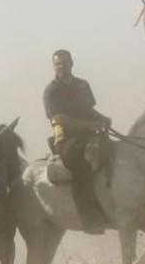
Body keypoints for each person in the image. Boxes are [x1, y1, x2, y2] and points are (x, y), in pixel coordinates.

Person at [42, 50, 111, 233]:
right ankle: (89, 217)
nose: (61, 67)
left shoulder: (82, 85)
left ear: (72, 63)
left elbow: (89, 110)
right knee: (80, 165)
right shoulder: (51, 91)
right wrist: (90, 125)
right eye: (57, 64)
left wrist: (104, 119)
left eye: (64, 63)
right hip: (67, 140)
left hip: (89, 133)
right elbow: (59, 119)